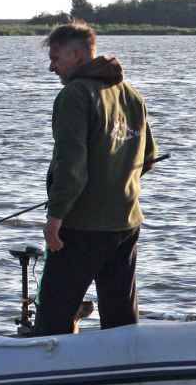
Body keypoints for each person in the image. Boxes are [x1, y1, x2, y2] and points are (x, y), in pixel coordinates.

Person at [33, 21, 159, 336]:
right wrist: (114, 180)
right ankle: (126, 373)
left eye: (56, 58)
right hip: (127, 222)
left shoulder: (74, 95)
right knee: (120, 317)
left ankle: (50, 379)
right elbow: (148, 157)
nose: (52, 67)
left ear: (76, 56)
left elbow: (71, 165)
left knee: (53, 316)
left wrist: (55, 216)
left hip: (83, 225)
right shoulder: (131, 94)